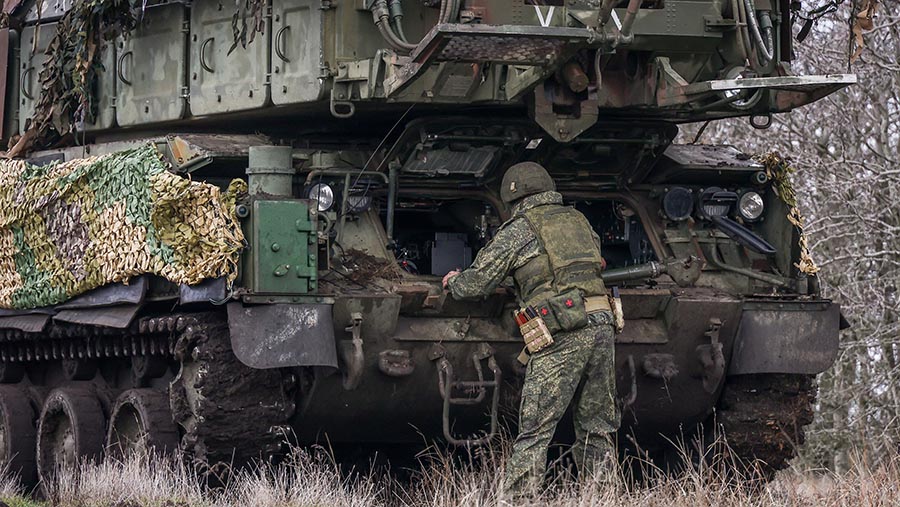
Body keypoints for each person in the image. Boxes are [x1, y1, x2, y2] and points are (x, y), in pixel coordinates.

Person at [442, 161, 619, 494]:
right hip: (602, 324)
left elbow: (477, 282)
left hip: (563, 329)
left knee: (535, 430)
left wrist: (454, 281)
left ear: (512, 199)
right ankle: (603, 495)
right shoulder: (578, 220)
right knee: (597, 427)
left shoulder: (519, 229)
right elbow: (592, 263)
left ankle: (519, 499)